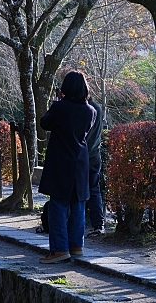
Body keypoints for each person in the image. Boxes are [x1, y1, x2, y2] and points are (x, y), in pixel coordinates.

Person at [38, 71, 96, 264]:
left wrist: (55, 104)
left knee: (58, 207)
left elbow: (45, 123)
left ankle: (59, 249)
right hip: (80, 162)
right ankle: (76, 246)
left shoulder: (60, 107)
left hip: (60, 161)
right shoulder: (91, 111)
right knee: (78, 205)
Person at [85, 95, 105, 236]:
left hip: (82, 155)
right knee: (94, 189)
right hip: (95, 155)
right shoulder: (97, 107)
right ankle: (98, 223)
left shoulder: (84, 109)